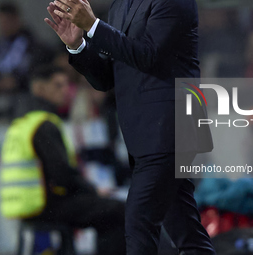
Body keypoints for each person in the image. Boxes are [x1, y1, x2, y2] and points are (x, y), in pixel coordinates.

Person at [44, 0, 215, 254]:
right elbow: (106, 78)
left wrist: (93, 25)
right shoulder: (120, 6)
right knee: (185, 230)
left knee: (138, 222)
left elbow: (148, 55)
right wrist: (77, 45)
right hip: (143, 137)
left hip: (171, 129)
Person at [0, 65, 126, 255]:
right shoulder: (44, 124)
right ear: (40, 89)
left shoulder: (21, 123)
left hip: (26, 206)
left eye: (67, 85)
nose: (65, 91)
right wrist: (94, 191)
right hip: (47, 206)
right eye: (58, 85)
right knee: (117, 211)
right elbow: (63, 177)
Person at [0, 2, 52, 95]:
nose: (3, 26)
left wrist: (17, 81)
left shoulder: (35, 47)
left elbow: (39, 72)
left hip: (25, 96)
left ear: (16, 19)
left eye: (6, 21)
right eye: (0, 22)